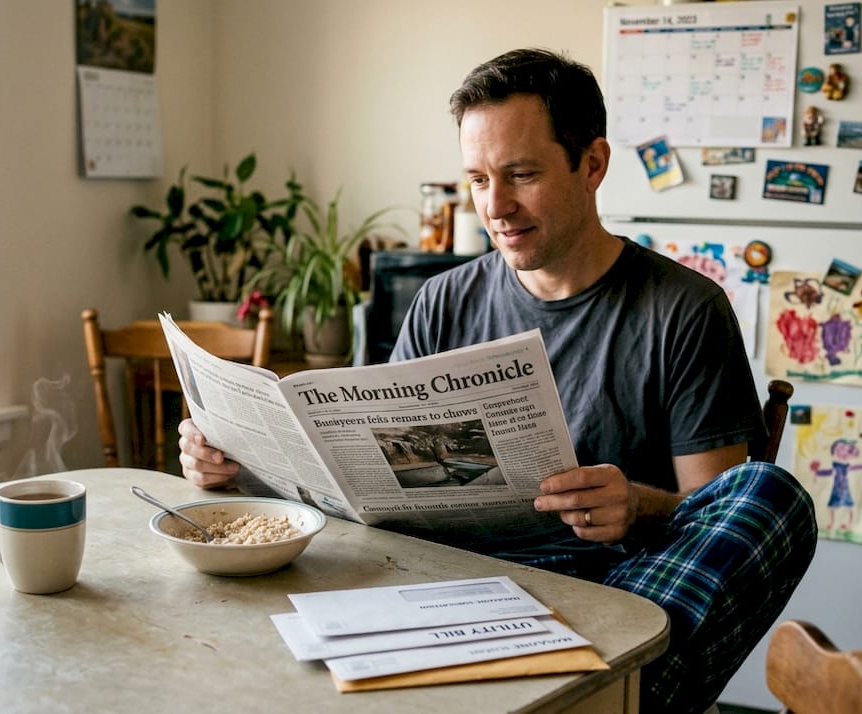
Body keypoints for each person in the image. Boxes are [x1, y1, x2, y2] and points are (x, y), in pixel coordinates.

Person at [178, 48, 817, 714]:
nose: (496, 206)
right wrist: (235, 462)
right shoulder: (443, 301)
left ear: (592, 164)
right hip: (439, 581)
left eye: (521, 174)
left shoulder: (682, 309)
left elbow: (710, 506)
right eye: (478, 179)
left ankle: (596, 687)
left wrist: (634, 502)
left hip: (609, 587)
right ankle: (596, 694)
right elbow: (370, 485)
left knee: (771, 496)